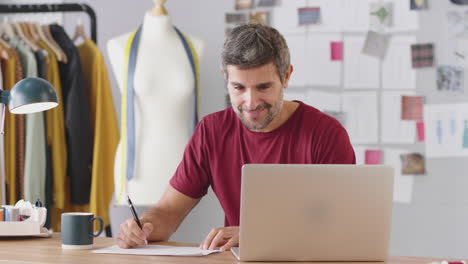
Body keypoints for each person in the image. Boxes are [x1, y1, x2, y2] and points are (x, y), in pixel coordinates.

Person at [116, 23, 355, 251]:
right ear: (225, 78)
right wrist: (142, 228)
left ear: (286, 76)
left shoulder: (326, 135)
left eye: (263, 87)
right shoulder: (212, 131)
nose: (250, 103)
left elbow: (338, 226)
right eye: (239, 88)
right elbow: (169, 211)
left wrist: (257, 234)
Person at [107, 0, 204, 206]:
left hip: (181, 162)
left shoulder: (196, 46)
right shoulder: (118, 46)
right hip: (139, 167)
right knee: (136, 233)